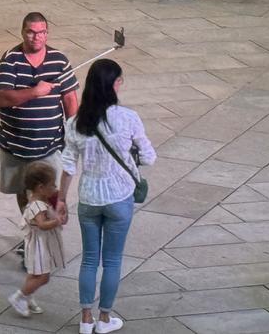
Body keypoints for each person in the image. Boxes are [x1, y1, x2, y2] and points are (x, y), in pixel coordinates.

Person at [59, 59, 156, 334]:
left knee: (89, 259)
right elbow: (149, 157)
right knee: (112, 261)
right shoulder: (128, 118)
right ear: (114, 85)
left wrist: (62, 200)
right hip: (119, 198)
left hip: (89, 199)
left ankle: (85, 319)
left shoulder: (75, 123)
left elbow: (68, 166)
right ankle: (105, 318)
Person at [0, 12, 80, 262]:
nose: (36, 37)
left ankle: (46, 238)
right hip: (16, 145)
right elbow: (4, 97)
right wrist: (36, 92)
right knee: (24, 192)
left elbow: (70, 99)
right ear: (22, 32)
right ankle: (32, 231)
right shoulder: (11, 60)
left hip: (49, 144)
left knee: (49, 193)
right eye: (31, 31)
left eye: (41, 32)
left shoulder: (59, 61)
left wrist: (74, 131)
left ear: (47, 33)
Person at [7, 161, 65, 318]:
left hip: (39, 243)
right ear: (41, 187)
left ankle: (27, 296)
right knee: (43, 277)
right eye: (52, 185)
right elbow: (42, 225)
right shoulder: (37, 206)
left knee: (34, 275)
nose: (55, 188)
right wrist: (56, 221)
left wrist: (57, 216)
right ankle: (19, 297)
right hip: (38, 245)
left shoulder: (41, 200)